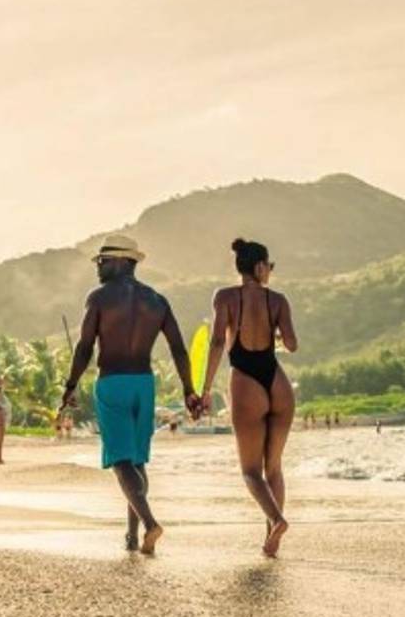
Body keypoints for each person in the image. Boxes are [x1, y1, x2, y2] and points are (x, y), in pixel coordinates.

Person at [61, 234, 200, 555]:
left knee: (121, 461)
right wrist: (189, 389)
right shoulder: (157, 300)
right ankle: (132, 536)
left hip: (112, 383)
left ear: (123, 261)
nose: (98, 267)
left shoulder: (99, 298)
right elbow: (178, 348)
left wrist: (70, 386)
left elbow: (84, 346)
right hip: (144, 384)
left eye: (103, 261)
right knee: (136, 460)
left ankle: (150, 523)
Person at [200, 238, 298, 558]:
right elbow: (293, 345)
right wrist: (275, 332)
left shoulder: (225, 297)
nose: (270, 272)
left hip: (245, 380)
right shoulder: (278, 300)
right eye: (269, 266)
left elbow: (216, 342)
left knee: (250, 471)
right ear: (258, 267)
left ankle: (276, 519)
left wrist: (205, 390)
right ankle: (272, 541)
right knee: (275, 469)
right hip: (277, 381)